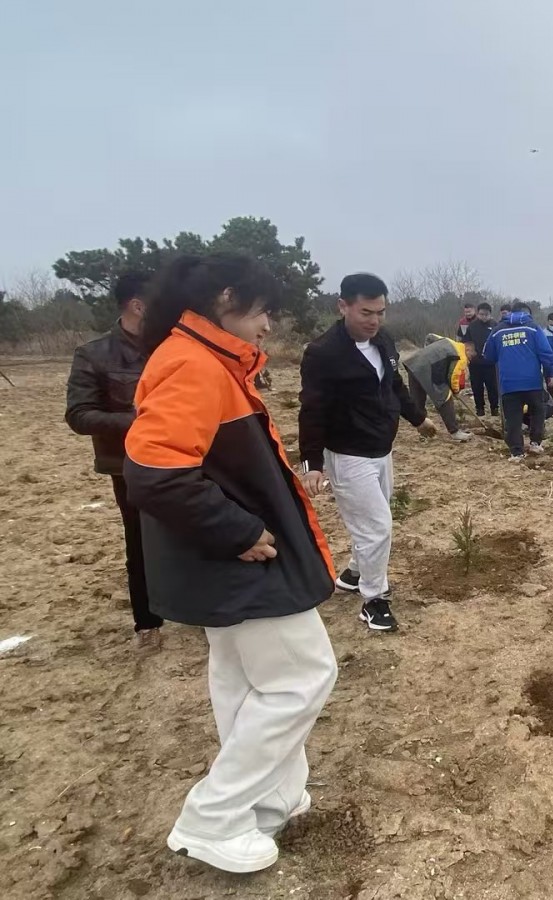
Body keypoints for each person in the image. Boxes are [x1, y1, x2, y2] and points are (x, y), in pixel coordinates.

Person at [123, 254, 338, 873]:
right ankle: (213, 818)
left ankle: (271, 799)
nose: (269, 324)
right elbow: (156, 473)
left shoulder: (203, 359)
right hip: (240, 560)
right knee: (303, 677)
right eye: (263, 310)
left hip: (222, 562)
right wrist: (237, 530)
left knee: (245, 682)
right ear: (225, 298)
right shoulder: (192, 364)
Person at [298, 273, 438, 632]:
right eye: (366, 312)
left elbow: (395, 386)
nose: (374, 320)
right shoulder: (323, 353)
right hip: (348, 454)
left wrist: (418, 419)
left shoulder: (383, 341)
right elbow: (312, 410)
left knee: (373, 520)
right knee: (377, 527)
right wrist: (312, 463)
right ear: (342, 306)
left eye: (380, 312)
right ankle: (374, 600)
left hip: (381, 448)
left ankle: (354, 573)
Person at [65, 270, 164, 647]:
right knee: (140, 540)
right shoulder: (93, 355)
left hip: (188, 457)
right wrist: (140, 421)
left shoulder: (171, 348)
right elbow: (79, 415)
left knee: (192, 534)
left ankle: (198, 608)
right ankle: (148, 623)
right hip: (129, 464)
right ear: (138, 305)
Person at [483, 301, 553, 460]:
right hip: (532, 382)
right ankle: (535, 443)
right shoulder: (533, 328)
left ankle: (516, 452)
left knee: (513, 418)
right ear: (527, 313)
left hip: (508, 383)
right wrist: (550, 375)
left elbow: (488, 355)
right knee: (537, 412)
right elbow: (546, 353)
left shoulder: (497, 331)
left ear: (511, 312)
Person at [402, 333, 474, 441]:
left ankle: (423, 430)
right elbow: (453, 376)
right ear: (467, 349)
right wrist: (455, 391)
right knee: (444, 398)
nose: (470, 359)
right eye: (471, 355)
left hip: (414, 364)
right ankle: (454, 432)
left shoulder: (448, 341)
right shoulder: (461, 355)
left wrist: (429, 353)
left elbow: (430, 337)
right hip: (429, 370)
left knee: (417, 400)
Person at [464, 302, 499, 416]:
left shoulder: (495, 325)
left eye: (486, 314)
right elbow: (467, 342)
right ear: (478, 314)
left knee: (493, 387)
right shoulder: (472, 326)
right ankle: (480, 408)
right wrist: (470, 353)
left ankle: (494, 408)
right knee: (477, 387)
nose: (484, 317)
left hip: (491, 363)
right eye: (481, 314)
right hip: (475, 363)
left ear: (490, 314)